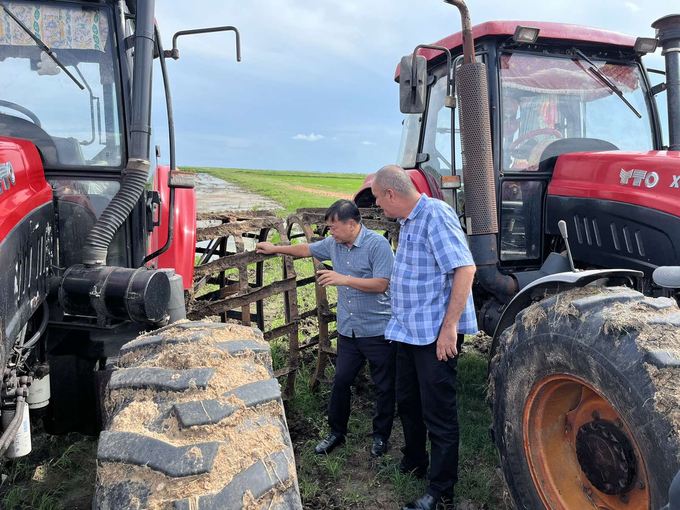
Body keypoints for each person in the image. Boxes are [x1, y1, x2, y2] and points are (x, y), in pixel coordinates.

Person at [371, 165, 477, 510]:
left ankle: (441, 490)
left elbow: (465, 268)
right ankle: (415, 460)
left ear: (391, 194)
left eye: (378, 199)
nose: (379, 207)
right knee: (409, 402)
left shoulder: (435, 215)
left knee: (439, 414)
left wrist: (449, 330)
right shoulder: (408, 221)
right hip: (408, 332)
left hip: (434, 336)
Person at [255, 199, 396, 457]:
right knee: (341, 381)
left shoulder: (378, 246)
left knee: (385, 386)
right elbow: (307, 249)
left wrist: (343, 279)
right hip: (348, 329)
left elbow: (381, 284)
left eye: (334, 227)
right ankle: (336, 433)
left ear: (351, 224)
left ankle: (380, 436)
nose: (330, 232)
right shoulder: (334, 244)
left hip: (377, 329)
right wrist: (275, 248)